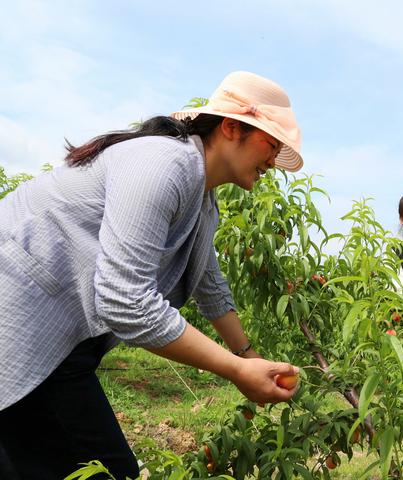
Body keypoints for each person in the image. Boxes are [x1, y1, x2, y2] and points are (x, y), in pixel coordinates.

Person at [0, 71, 303, 479]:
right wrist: (235, 371)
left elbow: (209, 285)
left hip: (53, 337)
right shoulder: (163, 164)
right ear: (232, 127)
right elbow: (125, 301)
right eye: (272, 143)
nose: (274, 160)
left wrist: (250, 357)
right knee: (106, 471)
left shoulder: (202, 198)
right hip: (23, 323)